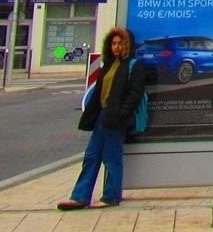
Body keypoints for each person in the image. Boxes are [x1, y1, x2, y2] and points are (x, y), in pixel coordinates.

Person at [57, 26, 147, 210]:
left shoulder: (133, 65)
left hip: (117, 117)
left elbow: (135, 93)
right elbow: (99, 92)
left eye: (120, 43)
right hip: (102, 115)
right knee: (91, 155)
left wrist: (122, 113)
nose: (116, 47)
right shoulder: (108, 65)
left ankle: (111, 196)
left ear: (127, 45)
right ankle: (80, 196)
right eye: (113, 43)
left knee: (112, 156)